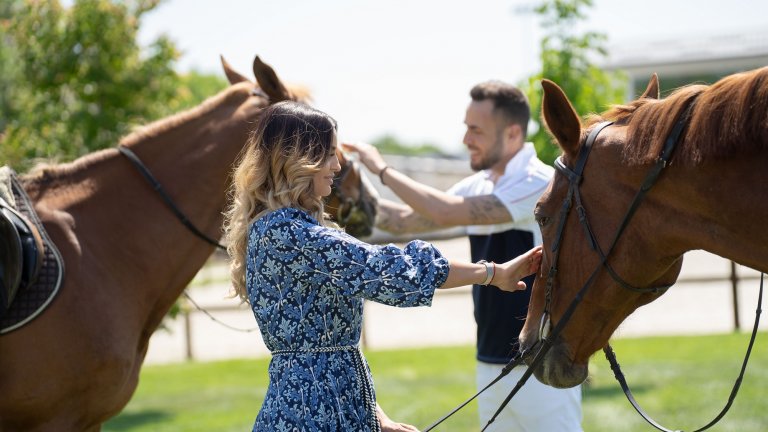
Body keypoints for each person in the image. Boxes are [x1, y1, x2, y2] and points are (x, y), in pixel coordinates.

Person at [222, 100, 543, 432]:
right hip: (310, 416)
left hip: (329, 409)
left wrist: (377, 418)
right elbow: (391, 270)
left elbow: (329, 351)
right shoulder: (289, 234)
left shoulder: (281, 229)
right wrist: (492, 273)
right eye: (330, 154)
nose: (336, 166)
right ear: (299, 160)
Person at [343, 80, 583, 431]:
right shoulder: (478, 184)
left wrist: (382, 169)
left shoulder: (539, 182)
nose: (465, 140)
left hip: (540, 364)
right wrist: (347, 188)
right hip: (489, 359)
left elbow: (445, 212)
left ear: (513, 133)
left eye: (476, 130)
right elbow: (404, 220)